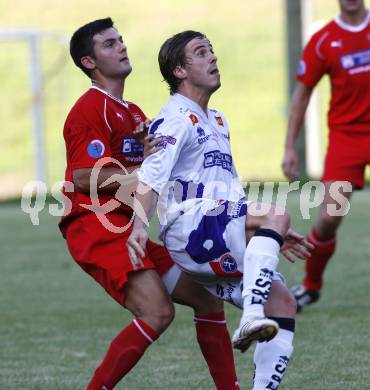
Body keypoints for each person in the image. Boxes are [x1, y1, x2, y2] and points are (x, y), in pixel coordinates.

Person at [59, 18, 242, 390]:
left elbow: (153, 169)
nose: (122, 47)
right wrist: (141, 176)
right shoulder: (90, 108)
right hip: (98, 227)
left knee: (208, 301)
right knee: (157, 312)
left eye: (121, 40)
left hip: (128, 227)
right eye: (109, 44)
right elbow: (82, 177)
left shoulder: (135, 113)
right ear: (88, 62)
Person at [127, 30, 312, 389]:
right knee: (276, 212)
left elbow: (229, 190)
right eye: (200, 52)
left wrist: (269, 234)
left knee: (284, 304)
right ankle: (251, 317)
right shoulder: (175, 117)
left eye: (212, 50)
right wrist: (138, 225)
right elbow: (151, 176)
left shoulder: (218, 120)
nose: (213, 57)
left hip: (215, 225)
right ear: (180, 70)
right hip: (190, 227)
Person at [282, 0, 370, 311]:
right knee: (330, 216)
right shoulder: (323, 41)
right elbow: (302, 93)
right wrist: (290, 146)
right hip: (347, 138)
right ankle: (310, 286)